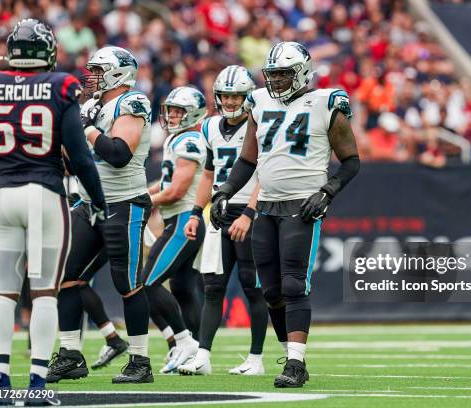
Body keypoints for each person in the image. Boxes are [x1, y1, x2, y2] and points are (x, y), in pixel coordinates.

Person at [209, 42, 360, 387]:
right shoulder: (259, 101)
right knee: (271, 290)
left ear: (303, 72)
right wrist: (225, 191)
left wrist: (327, 191)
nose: (276, 80)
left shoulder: (326, 103)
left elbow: (351, 161)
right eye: (272, 74)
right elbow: (248, 159)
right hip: (266, 207)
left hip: (301, 205)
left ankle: (294, 362)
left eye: (283, 74)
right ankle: (291, 357)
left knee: (294, 284)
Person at [0, 18, 106, 405]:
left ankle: (2, 385)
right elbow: (81, 156)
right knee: (45, 295)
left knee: (3, 294)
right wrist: (99, 200)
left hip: (4, 196)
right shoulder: (61, 85)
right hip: (45, 195)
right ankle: (35, 386)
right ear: (47, 52)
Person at [48, 46, 154, 384]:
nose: (90, 76)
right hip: (90, 202)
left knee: (127, 282)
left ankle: (140, 360)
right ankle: (70, 354)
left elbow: (119, 153)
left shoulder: (132, 103)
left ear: (117, 72)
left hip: (125, 202)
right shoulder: (92, 106)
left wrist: (87, 129)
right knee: (66, 275)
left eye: (97, 70)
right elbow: (75, 158)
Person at [178, 65, 268, 376]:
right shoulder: (210, 127)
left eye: (236, 96)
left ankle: (256, 358)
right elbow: (208, 173)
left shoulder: (259, 124)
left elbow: (265, 174)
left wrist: (249, 212)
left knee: (251, 286)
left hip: (249, 212)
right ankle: (203, 356)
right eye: (225, 96)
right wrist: (194, 211)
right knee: (213, 285)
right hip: (219, 209)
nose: (229, 102)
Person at [143, 86, 207, 373]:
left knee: (147, 284)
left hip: (184, 221)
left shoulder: (190, 140)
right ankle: (198, 358)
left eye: (179, 110)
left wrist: (144, 201)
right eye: (170, 109)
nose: (171, 115)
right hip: (177, 221)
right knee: (183, 289)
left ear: (193, 113)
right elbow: (166, 182)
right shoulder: (177, 139)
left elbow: (177, 191)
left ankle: (185, 343)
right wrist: (143, 193)